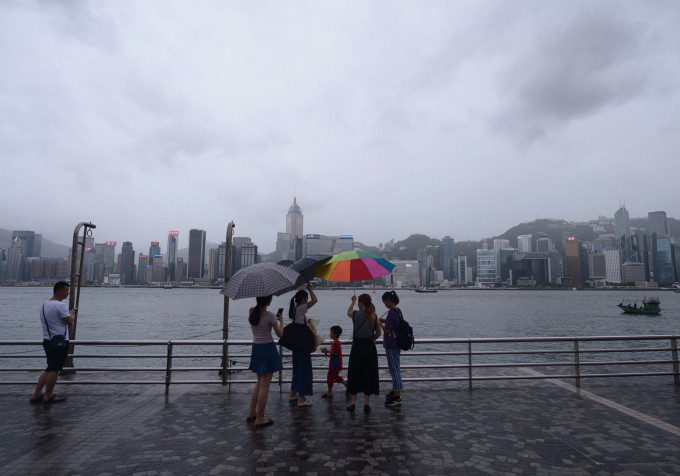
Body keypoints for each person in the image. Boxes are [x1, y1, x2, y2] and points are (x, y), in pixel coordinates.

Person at [30, 281, 75, 404]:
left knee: (49, 368)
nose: (68, 293)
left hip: (47, 340)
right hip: (59, 342)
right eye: (66, 291)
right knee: (55, 370)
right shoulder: (60, 306)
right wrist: (72, 314)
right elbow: (69, 321)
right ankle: (48, 395)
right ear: (59, 291)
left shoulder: (44, 305)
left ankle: (37, 394)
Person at [246, 295, 284, 428]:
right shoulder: (270, 316)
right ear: (268, 301)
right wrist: (281, 321)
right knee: (265, 385)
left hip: (256, 349)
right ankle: (260, 418)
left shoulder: (252, 312)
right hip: (267, 349)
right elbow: (280, 335)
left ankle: (252, 413)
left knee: (259, 382)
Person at [346, 293, 381, 413]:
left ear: (361, 302)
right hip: (370, 348)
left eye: (359, 302)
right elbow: (378, 334)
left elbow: (348, 312)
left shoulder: (356, 314)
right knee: (368, 374)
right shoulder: (374, 315)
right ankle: (366, 404)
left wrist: (352, 301)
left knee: (354, 374)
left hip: (357, 347)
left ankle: (353, 403)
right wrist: (372, 339)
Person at [288, 283, 318, 407]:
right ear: (303, 299)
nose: (307, 301)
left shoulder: (296, 309)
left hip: (296, 344)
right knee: (304, 369)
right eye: (306, 298)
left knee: (297, 368)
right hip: (302, 344)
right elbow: (315, 300)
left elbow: (300, 322)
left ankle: (293, 392)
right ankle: (302, 398)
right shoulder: (301, 308)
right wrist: (310, 290)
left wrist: (307, 321)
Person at [379, 290, 403, 406]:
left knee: (394, 370)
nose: (384, 304)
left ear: (388, 301)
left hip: (391, 344)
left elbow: (388, 330)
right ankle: (395, 390)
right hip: (397, 344)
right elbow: (393, 324)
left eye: (385, 302)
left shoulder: (391, 313)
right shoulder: (397, 311)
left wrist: (380, 325)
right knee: (396, 368)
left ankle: (397, 397)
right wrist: (383, 321)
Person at [319, 325, 346, 399]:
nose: (329, 334)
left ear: (335, 334)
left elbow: (335, 353)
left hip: (334, 364)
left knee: (330, 377)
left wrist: (326, 351)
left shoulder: (336, 343)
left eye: (331, 332)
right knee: (336, 377)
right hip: (335, 363)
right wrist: (328, 351)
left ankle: (329, 392)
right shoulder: (335, 342)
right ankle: (347, 386)